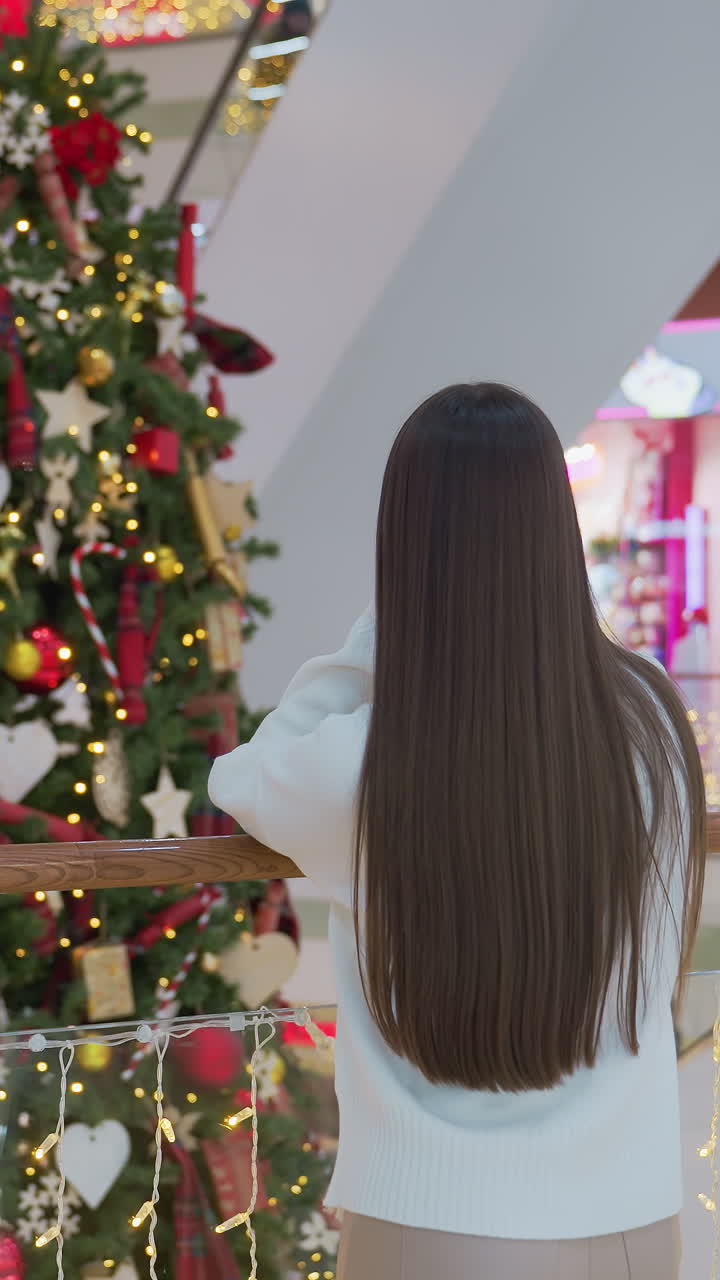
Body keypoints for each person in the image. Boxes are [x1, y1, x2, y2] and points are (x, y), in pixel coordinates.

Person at [208, 383, 706, 1280]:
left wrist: (384, 634)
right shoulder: (650, 720)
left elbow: (240, 776)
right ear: (555, 535)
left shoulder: (365, 761)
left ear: (404, 549)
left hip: (438, 1229)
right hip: (637, 1225)